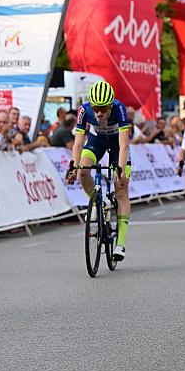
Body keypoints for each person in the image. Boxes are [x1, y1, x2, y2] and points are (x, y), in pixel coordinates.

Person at [66, 81, 131, 262]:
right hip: (97, 141)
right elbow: (78, 143)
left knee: (121, 189)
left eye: (103, 108)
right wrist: (73, 165)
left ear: (110, 105)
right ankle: (97, 204)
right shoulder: (84, 110)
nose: (100, 113)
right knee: (83, 172)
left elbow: (124, 144)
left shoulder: (120, 109)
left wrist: (121, 170)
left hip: (117, 145)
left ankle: (120, 244)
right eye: (96, 108)